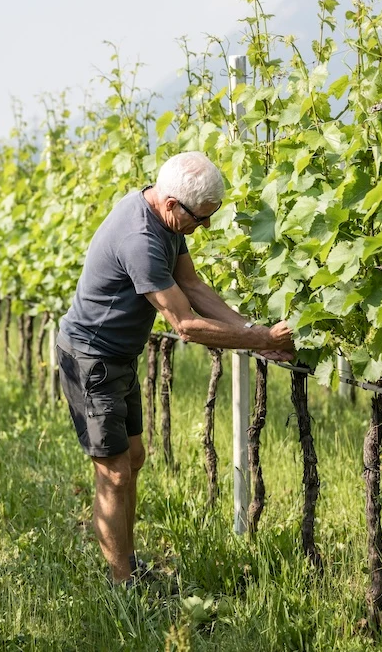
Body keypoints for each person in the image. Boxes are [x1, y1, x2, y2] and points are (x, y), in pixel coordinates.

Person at [56, 151, 295, 587]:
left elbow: (193, 285)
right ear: (171, 204)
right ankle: (123, 585)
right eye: (200, 219)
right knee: (113, 471)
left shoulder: (165, 217)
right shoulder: (140, 239)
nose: (203, 228)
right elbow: (184, 324)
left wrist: (251, 329)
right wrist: (261, 341)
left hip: (118, 357)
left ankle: (127, 565)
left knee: (134, 457)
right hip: (91, 359)